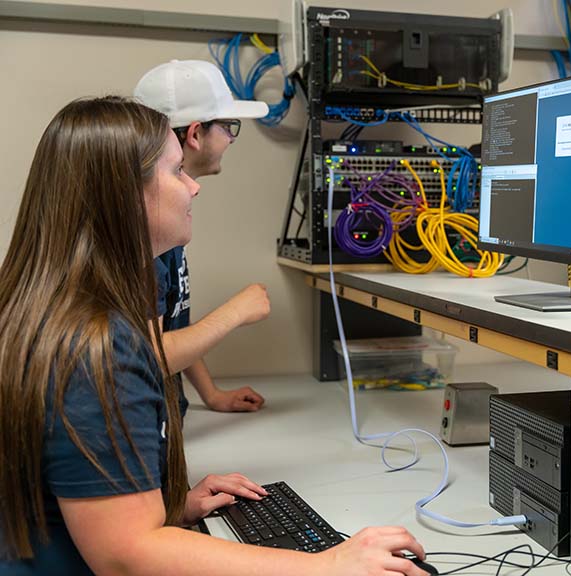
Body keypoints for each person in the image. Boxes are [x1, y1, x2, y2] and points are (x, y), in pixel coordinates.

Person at [0, 96, 429, 576]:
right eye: (177, 171)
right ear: (124, 195)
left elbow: (70, 501)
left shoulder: (60, 308)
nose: (193, 189)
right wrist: (328, 565)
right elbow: (124, 555)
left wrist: (166, 505)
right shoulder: (98, 344)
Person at [134, 59, 270, 415]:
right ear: (195, 134)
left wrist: (211, 394)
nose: (230, 139)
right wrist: (235, 312)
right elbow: (151, 353)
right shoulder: (147, 233)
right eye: (228, 127)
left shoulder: (169, 222)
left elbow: (171, 320)